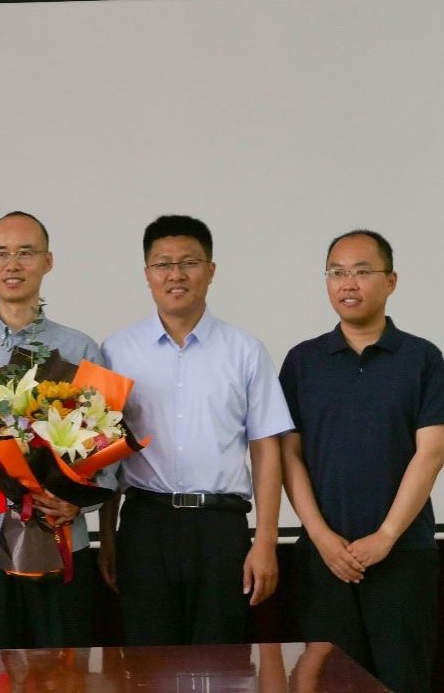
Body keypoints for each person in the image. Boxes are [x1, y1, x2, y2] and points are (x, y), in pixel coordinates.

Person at [98, 214, 290, 645]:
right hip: (145, 525)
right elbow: (105, 450)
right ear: (147, 274)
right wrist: (108, 538)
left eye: (189, 262)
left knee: (222, 661)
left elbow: (265, 448)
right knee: (149, 662)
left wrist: (265, 541)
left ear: (211, 270)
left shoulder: (245, 351)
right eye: (163, 264)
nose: (176, 274)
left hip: (220, 528)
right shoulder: (116, 351)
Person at [278, 230, 444, 693]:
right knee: (327, 684)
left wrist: (387, 535)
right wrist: (321, 537)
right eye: (337, 273)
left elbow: (431, 453)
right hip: (324, 558)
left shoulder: (422, 358)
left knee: (403, 681)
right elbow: (288, 455)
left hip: (403, 555)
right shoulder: (302, 362)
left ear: (391, 281)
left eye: (361, 272)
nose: (348, 283)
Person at [0, 211, 110, 649]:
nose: (12, 264)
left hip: (61, 537)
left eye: (26, 253)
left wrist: (78, 501)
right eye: (1, 254)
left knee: (62, 670)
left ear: (47, 261)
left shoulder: (79, 347)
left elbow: (104, 441)